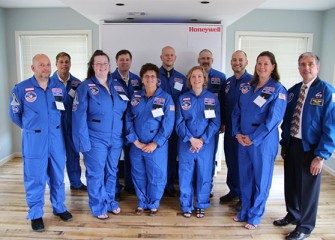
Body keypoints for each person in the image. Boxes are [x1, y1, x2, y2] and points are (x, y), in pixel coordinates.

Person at [273, 52, 335, 240]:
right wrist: (284, 143)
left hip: (312, 149)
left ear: (317, 67)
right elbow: (287, 120)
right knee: (291, 184)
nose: (306, 68)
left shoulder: (327, 92)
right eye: (302, 64)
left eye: (310, 64)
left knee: (307, 189)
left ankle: (305, 226)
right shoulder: (293, 91)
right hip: (293, 145)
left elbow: (331, 126)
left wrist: (321, 155)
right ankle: (293, 214)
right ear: (298, 67)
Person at [9, 54, 72, 232]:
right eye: (41, 65)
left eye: (48, 65)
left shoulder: (58, 87)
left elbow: (64, 111)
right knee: (35, 177)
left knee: (58, 175)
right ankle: (36, 214)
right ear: (33, 68)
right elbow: (15, 114)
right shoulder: (21, 89)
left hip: (56, 139)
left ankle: (59, 207)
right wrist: (32, 128)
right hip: (34, 140)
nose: (46, 68)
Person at [232, 51, 287, 230]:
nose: (261, 67)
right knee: (245, 178)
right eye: (259, 63)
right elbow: (237, 112)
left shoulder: (278, 89)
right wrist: (237, 133)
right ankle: (244, 212)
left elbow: (273, 120)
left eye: (265, 64)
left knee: (261, 180)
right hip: (243, 140)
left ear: (273, 67)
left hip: (262, 143)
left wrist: (253, 138)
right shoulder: (247, 86)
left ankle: (255, 216)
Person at [72, 50, 128, 220]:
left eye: (105, 63)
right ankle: (98, 206)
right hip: (95, 138)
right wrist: (83, 142)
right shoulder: (85, 87)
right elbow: (78, 117)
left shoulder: (117, 86)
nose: (102, 66)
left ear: (109, 66)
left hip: (115, 138)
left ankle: (110, 201)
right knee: (96, 173)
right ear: (93, 66)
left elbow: (123, 112)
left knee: (112, 171)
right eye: (98, 63)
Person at [126, 63, 175, 216]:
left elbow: (168, 124)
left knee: (156, 174)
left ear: (157, 79)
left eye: (152, 76)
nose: (149, 79)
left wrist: (155, 143)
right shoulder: (135, 97)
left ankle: (153, 202)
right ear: (142, 79)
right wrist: (134, 140)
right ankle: (142, 201)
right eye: (146, 76)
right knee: (138, 173)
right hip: (137, 144)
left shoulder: (166, 98)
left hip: (156, 146)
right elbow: (128, 119)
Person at [176, 66, 220, 218]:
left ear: (204, 79)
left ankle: (201, 204)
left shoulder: (212, 99)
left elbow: (215, 122)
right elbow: (179, 122)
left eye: (199, 76)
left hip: (205, 144)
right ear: (189, 79)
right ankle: (186, 205)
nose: (196, 79)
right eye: (193, 76)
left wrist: (202, 140)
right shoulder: (182, 99)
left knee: (204, 174)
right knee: (185, 174)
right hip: (186, 143)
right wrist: (190, 139)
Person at [219, 50, 253, 211]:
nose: (237, 62)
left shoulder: (253, 81)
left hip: (244, 131)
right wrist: (223, 123)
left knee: (243, 164)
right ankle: (233, 191)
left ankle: (244, 196)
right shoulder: (228, 82)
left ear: (246, 62)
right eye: (234, 60)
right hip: (230, 130)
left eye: (240, 60)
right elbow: (224, 105)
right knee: (231, 161)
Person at [51, 52, 86, 191]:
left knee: (73, 155)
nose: (64, 64)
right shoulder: (49, 82)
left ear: (70, 64)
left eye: (67, 62)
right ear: (56, 64)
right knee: (56, 157)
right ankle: (57, 185)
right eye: (61, 62)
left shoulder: (77, 83)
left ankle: (76, 183)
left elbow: (82, 105)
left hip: (72, 126)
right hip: (55, 127)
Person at [111, 49, 142, 196]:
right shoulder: (110, 79)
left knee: (132, 157)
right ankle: (115, 188)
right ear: (116, 62)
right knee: (114, 159)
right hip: (115, 125)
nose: (124, 62)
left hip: (133, 125)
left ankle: (130, 185)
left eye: (127, 59)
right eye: (121, 59)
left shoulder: (137, 79)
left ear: (131, 61)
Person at [158, 46, 187, 197]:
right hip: (157, 124)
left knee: (172, 155)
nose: (169, 57)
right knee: (157, 155)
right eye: (166, 55)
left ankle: (169, 184)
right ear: (161, 57)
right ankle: (158, 185)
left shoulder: (182, 78)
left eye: (171, 55)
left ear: (175, 58)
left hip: (175, 124)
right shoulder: (153, 76)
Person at [198, 49, 226, 197]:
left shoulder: (221, 77)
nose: (205, 61)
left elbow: (224, 101)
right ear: (198, 60)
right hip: (196, 124)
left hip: (213, 124)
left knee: (210, 156)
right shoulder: (193, 75)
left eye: (208, 58)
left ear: (213, 60)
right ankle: (197, 184)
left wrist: (222, 122)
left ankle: (208, 186)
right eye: (203, 58)